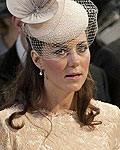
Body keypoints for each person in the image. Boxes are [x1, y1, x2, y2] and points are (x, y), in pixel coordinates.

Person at [0, 0, 119, 149]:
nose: (74, 61)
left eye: (82, 48)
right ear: (37, 59)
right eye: (60, 51)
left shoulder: (111, 118)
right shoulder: (9, 126)